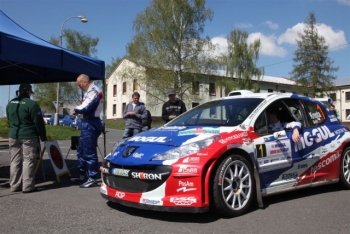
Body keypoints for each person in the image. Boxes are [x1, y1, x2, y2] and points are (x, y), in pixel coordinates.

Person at [6, 83, 47, 193]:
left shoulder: (10, 103)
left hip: (14, 134)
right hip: (28, 135)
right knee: (28, 160)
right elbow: (38, 123)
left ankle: (14, 185)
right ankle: (28, 186)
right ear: (28, 91)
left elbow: (9, 118)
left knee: (15, 160)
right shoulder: (32, 104)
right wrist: (43, 136)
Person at [70, 74, 103, 188]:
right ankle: (81, 175)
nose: (79, 86)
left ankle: (93, 177)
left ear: (85, 81)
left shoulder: (94, 91)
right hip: (87, 122)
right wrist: (78, 109)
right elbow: (84, 105)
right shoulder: (90, 92)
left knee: (89, 151)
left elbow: (86, 107)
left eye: (79, 84)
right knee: (81, 150)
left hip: (91, 123)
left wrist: (76, 109)